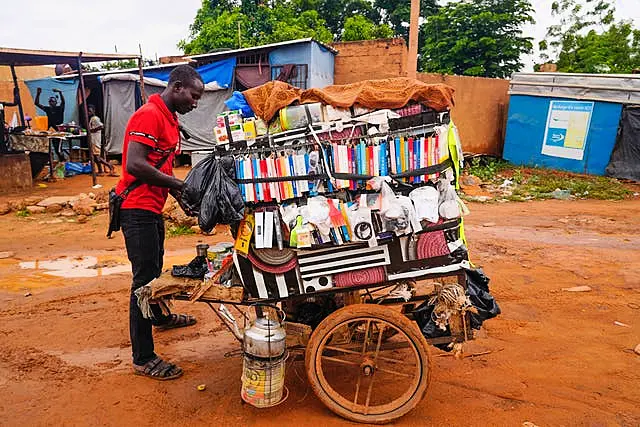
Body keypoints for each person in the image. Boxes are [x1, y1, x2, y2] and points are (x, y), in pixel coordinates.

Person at [115, 65, 204, 380]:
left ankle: (161, 318)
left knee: (156, 270)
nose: (195, 103)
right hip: (136, 209)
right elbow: (136, 164)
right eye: (193, 96)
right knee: (143, 282)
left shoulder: (169, 118)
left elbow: (160, 163)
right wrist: (179, 186)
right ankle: (143, 357)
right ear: (177, 87)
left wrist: (178, 196)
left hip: (152, 207)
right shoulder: (149, 115)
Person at [35, 87, 66, 160]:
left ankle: (62, 161)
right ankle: (58, 162)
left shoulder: (60, 108)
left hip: (59, 131)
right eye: (50, 101)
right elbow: (36, 103)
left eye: (53, 101)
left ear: (56, 102)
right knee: (53, 149)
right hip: (51, 132)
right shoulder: (48, 109)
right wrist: (38, 94)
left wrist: (60, 92)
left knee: (58, 149)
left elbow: (63, 102)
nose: (51, 102)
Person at [88, 105, 117, 176]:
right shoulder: (92, 118)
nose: (89, 112)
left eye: (90, 111)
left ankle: (110, 166)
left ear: (93, 111)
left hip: (95, 140)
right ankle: (100, 170)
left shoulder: (95, 118)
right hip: (93, 139)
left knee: (97, 157)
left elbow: (101, 126)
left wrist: (91, 130)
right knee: (95, 157)